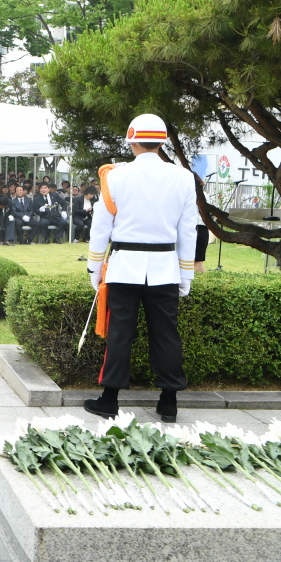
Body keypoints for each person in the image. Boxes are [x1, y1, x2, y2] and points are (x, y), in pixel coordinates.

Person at [83, 114, 197, 425]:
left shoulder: (115, 177)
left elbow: (100, 228)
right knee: (166, 335)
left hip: (124, 268)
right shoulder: (184, 177)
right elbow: (189, 231)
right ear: (162, 142)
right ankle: (169, 402)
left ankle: (109, 400)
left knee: (120, 333)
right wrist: (186, 274)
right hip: (165, 268)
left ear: (132, 140)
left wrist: (95, 268)